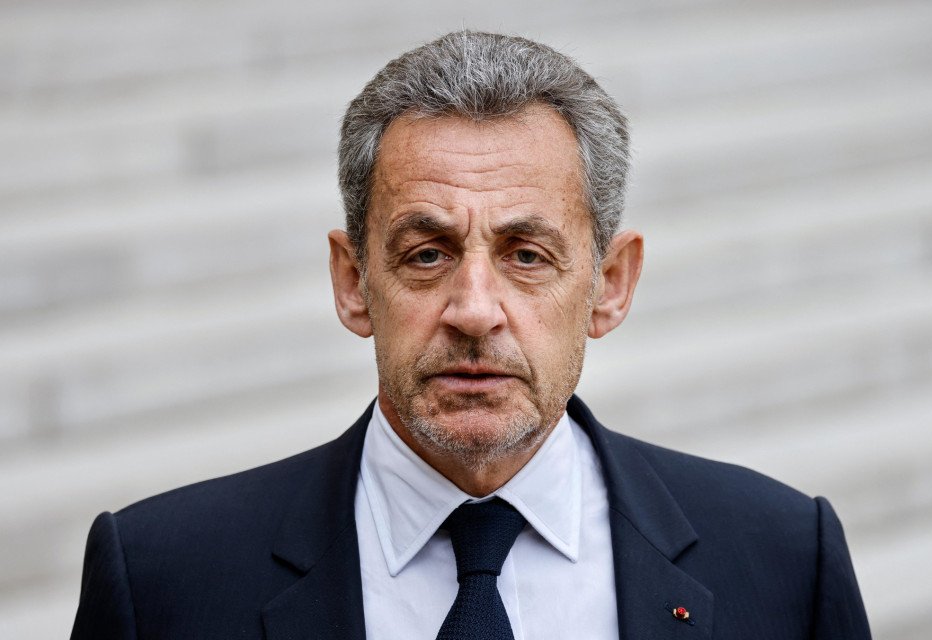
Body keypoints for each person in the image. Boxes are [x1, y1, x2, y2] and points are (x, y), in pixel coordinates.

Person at [71, 31, 871, 639]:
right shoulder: (162, 580)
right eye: (427, 254)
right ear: (353, 282)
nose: (475, 310)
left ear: (609, 285)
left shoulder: (784, 558)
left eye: (527, 255)